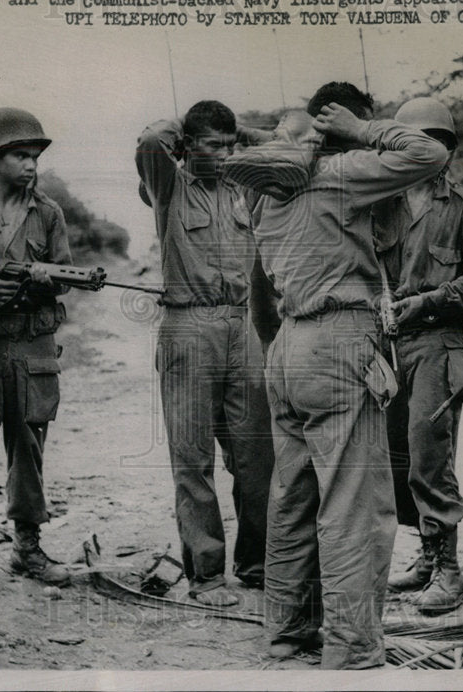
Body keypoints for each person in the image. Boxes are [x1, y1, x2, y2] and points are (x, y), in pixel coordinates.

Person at [226, 83, 450, 668]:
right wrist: (362, 130)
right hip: (339, 336)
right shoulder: (341, 172)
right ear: (339, 123)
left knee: (291, 498)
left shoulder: (270, 191)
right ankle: (351, 649)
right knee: (353, 505)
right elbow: (429, 154)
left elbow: (262, 291)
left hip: (288, 343)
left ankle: (288, 634)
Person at [135, 101, 274, 606]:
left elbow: (290, 147)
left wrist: (243, 132)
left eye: (229, 145)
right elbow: (151, 142)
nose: (223, 154)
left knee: (258, 456)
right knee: (192, 459)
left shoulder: (244, 187)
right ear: (189, 145)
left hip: (242, 324)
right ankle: (207, 575)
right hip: (188, 325)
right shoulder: (168, 186)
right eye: (211, 145)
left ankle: (257, 565)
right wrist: (180, 129)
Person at [377, 98, 463, 615]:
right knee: (400, 454)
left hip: (442, 342)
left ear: (448, 149)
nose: (425, 152)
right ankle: (425, 555)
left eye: (436, 142)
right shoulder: (384, 199)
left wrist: (429, 300)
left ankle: (450, 570)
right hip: (391, 344)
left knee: (431, 453)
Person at [0, 108, 72, 586]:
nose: (31, 166)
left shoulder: (48, 214)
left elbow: (66, 276)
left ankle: (27, 547)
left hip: (31, 345)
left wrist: (44, 283)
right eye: (20, 156)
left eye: (35, 157)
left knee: (28, 450)